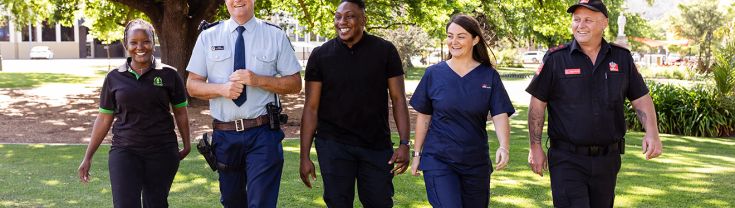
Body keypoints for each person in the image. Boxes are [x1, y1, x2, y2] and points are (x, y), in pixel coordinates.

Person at [525, 0, 663, 207]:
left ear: (604, 23)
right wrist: (535, 146)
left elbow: (641, 98)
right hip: (566, 158)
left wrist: (652, 133)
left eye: (588, 20)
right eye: (576, 19)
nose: (580, 25)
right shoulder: (556, 59)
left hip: (608, 159)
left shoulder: (621, 58)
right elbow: (537, 105)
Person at [185, 0, 302, 207]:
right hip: (225, 134)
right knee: (232, 201)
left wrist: (259, 80)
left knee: (261, 203)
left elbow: (295, 83)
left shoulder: (274, 35)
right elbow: (192, 86)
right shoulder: (208, 36)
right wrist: (221, 89)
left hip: (263, 133)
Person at [298, 0, 411, 207]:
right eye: (338, 16)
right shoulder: (320, 55)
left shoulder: (385, 51)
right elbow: (311, 108)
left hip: (376, 145)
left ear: (363, 20)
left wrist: (404, 143)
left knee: (380, 202)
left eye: (349, 16)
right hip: (333, 145)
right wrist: (304, 156)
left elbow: (398, 100)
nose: (342, 22)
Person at [77, 19, 191, 208]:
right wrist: (88, 156)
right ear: (125, 45)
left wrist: (187, 145)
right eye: (134, 42)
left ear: (153, 43)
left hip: (162, 151)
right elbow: (104, 118)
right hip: (125, 151)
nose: (140, 47)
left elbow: (181, 112)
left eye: (145, 41)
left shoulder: (170, 75)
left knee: (156, 204)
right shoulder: (114, 78)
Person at [408, 14, 515, 207]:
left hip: (476, 162)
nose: (453, 42)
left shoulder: (489, 76)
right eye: (450, 36)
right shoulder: (433, 74)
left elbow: (500, 114)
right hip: (439, 159)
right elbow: (423, 117)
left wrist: (503, 147)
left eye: (461, 36)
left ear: (475, 40)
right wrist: (417, 155)